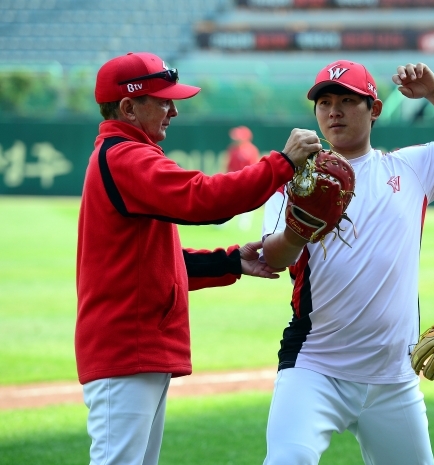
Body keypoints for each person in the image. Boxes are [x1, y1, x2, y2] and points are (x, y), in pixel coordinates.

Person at [75, 51, 321, 465]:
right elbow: (204, 199)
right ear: (128, 107)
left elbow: (151, 263)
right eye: (163, 100)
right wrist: (281, 163)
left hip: (133, 348)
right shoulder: (125, 157)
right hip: (126, 349)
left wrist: (228, 262)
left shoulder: (124, 154)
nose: (173, 110)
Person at [259, 59, 434, 464]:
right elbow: (273, 258)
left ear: (374, 109)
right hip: (315, 367)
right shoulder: (294, 181)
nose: (334, 110)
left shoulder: (410, 168)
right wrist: (300, 227)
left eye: (348, 100)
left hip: (394, 379)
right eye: (325, 102)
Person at [225, 125, 261, 230]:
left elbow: (254, 167)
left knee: (246, 203)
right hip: (233, 180)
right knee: (228, 202)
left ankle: (244, 224)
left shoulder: (251, 150)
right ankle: (222, 223)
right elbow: (229, 166)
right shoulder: (232, 149)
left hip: (246, 181)